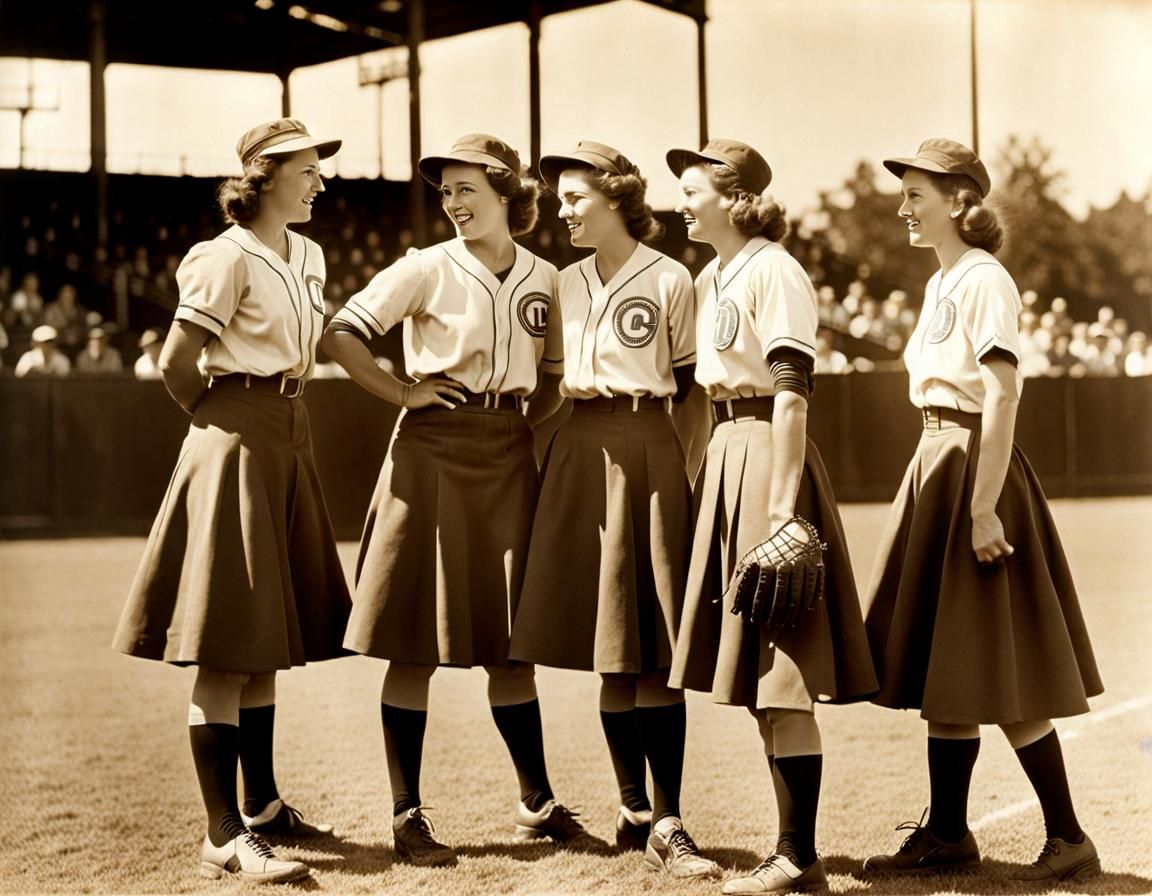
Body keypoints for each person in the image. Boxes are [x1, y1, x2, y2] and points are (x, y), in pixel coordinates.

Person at [321, 134, 595, 867]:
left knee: (512, 646)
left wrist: (513, 428)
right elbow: (342, 334)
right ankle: (407, 814)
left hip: (507, 450)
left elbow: (555, 385)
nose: (453, 202)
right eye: (445, 192)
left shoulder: (546, 277)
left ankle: (535, 800)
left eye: (467, 188)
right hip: (431, 449)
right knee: (415, 644)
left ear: (508, 192)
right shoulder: (424, 267)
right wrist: (404, 391)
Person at [112, 118, 352, 884]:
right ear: (265, 175)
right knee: (226, 644)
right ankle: (223, 833)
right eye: (308, 170)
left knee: (263, 639)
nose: (320, 182)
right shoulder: (223, 255)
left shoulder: (308, 254)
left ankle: (265, 806)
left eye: (319, 170)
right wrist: (225, 426)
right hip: (237, 426)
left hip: (290, 426)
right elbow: (178, 365)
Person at [863, 138, 1102, 883]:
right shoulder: (943, 283)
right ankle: (948, 832)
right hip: (937, 459)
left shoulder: (984, 279)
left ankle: (1068, 837)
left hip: (971, 465)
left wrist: (983, 507)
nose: (903, 206)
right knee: (949, 665)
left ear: (959, 202)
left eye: (916, 195)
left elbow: (1002, 395)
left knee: (996, 666)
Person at [664, 139, 878, 895]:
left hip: (765, 453)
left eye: (692, 189)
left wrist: (783, 509)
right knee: (759, 680)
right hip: (728, 449)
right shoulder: (711, 274)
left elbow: (791, 392)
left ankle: (798, 856)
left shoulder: (775, 268)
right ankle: (793, 852)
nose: (681, 201)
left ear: (734, 196)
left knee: (782, 675)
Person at [507, 140, 719, 881]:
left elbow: (694, 394)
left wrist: (681, 470)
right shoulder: (559, 283)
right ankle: (633, 809)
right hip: (579, 447)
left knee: (655, 647)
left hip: (648, 443)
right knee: (611, 643)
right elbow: (545, 384)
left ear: (618, 198)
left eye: (575, 199)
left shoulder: (671, 279)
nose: (561, 211)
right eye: (560, 199)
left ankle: (670, 818)